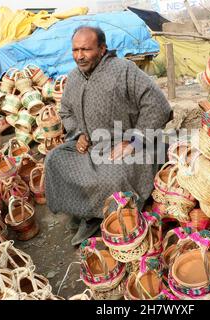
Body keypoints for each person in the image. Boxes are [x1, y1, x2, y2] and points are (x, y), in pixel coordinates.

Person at [45, 26, 172, 245]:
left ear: (102, 49)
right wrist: (79, 133)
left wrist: (134, 141)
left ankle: (110, 218)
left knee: (113, 175)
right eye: (75, 50)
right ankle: (87, 213)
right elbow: (65, 110)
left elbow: (158, 105)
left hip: (126, 144)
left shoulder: (124, 71)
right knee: (54, 160)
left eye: (86, 49)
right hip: (90, 145)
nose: (79, 56)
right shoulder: (74, 77)